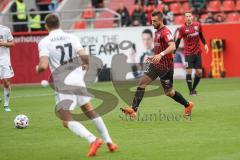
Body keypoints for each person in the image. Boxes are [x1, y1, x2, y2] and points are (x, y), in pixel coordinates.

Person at [36, 14, 118, 157]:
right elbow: (84, 56)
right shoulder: (71, 37)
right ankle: (110, 142)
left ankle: (92, 140)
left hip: (63, 82)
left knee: (66, 120)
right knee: (89, 110)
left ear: (46, 26)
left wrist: (37, 68)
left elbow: (43, 66)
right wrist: (86, 64)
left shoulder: (45, 42)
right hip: (78, 78)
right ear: (59, 23)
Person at [121, 10, 193, 118]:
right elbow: (159, 49)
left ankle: (187, 105)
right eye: (151, 21)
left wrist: (161, 54)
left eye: (154, 21)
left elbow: (173, 46)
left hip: (166, 67)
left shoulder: (165, 32)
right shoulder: (156, 32)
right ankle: (133, 110)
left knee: (169, 92)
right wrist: (154, 57)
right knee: (142, 83)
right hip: (155, 65)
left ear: (160, 20)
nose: (152, 23)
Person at [175, 12, 208, 96]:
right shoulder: (182, 28)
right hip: (188, 53)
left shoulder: (198, 25)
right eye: (186, 16)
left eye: (190, 16)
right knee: (189, 71)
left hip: (197, 52)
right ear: (185, 18)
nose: (188, 18)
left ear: (192, 17)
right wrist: (173, 52)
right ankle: (191, 91)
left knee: (199, 72)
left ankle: (193, 89)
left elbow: (201, 36)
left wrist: (205, 44)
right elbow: (178, 40)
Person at [0, 25, 15, 112]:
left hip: (4, 60)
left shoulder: (5, 29)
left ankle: (6, 105)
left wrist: (4, 43)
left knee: (6, 81)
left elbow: (13, 43)